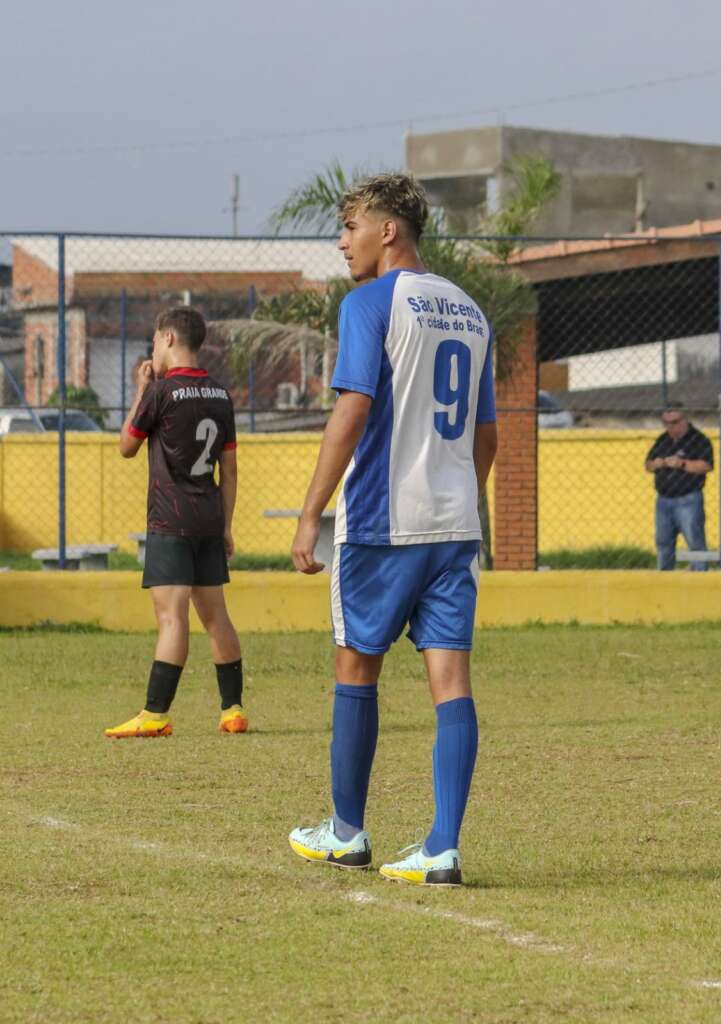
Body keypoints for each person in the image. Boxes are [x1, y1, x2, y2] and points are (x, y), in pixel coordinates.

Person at [287, 173, 498, 887]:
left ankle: (347, 833)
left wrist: (311, 512)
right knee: (451, 681)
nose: (342, 242)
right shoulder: (470, 310)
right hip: (454, 522)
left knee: (355, 667)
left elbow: (351, 411)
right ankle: (443, 846)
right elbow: (487, 434)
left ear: (388, 231)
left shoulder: (370, 303)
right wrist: (460, 497)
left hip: (381, 521)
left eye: (350, 228)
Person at [104, 306, 247, 739]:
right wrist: (225, 526)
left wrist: (141, 389)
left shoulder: (161, 392)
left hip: (170, 519)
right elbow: (231, 469)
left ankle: (155, 713)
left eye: (153, 342)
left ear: (167, 338)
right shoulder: (221, 395)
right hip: (208, 517)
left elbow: (127, 445)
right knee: (216, 615)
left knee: (172, 617)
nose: (152, 350)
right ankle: (233, 709)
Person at [644, 404, 714, 571]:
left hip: (688, 499)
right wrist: (656, 464)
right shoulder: (662, 440)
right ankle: (665, 576)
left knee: (695, 541)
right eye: (666, 423)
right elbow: (647, 465)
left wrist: (682, 463)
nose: (670, 427)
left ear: (685, 419)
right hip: (663, 500)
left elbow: (706, 466)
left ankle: (700, 575)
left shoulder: (698, 439)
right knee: (663, 543)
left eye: (674, 422)